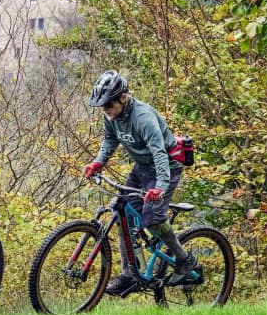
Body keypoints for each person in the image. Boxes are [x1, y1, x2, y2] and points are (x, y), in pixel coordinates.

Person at [83, 70, 196, 296]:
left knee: (153, 218)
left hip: (166, 167)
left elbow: (159, 153)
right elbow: (110, 140)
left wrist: (160, 187)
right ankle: (129, 274)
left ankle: (184, 259)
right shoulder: (112, 116)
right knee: (120, 210)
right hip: (142, 167)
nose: (105, 110)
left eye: (108, 105)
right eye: (102, 107)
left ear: (123, 98)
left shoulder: (143, 118)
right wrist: (98, 162)